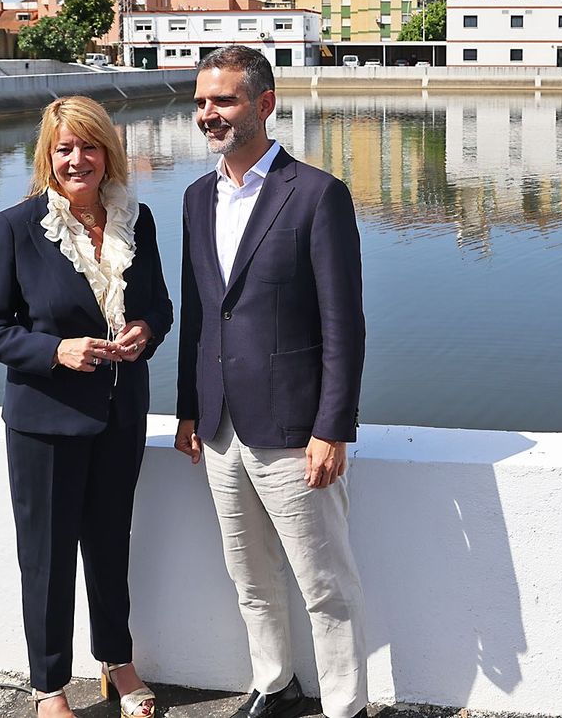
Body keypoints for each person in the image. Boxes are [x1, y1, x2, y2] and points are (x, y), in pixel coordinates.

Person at [175, 45, 370, 718]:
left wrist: (332, 426)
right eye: (201, 101)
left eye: (223, 100)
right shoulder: (197, 198)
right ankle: (275, 680)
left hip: (293, 430)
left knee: (325, 584)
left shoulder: (318, 194)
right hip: (220, 425)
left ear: (264, 104)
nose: (208, 114)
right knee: (249, 576)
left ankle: (344, 706)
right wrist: (187, 411)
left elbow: (345, 324)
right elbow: (199, 313)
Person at [0, 96, 172, 718]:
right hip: (45, 423)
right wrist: (57, 350)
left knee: (111, 546)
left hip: (120, 416)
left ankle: (118, 663)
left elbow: (160, 308)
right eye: (64, 148)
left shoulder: (137, 221)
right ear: (47, 156)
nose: (77, 159)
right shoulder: (15, 226)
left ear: (108, 152)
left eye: (89, 147)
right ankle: (48, 688)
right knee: (49, 559)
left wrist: (145, 331)